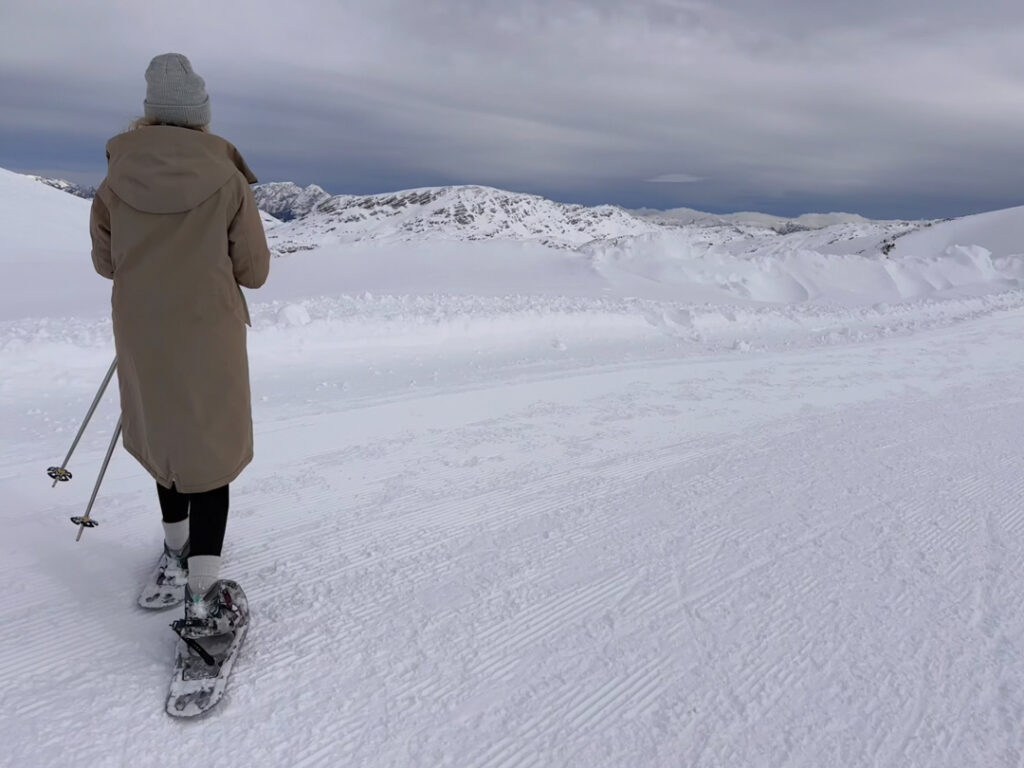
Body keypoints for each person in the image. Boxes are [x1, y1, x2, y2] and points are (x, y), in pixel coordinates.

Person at [89, 53, 270, 639]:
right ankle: (201, 598)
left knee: (163, 435)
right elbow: (254, 270)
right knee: (207, 451)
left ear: (149, 116)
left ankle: (174, 550)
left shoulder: (115, 177)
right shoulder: (227, 178)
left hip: (142, 328)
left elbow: (105, 262)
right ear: (200, 116)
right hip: (207, 331)